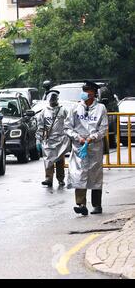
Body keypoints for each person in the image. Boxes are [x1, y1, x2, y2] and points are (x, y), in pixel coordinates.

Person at [65, 81, 108, 216]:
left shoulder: (101, 108)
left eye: (88, 90)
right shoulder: (75, 108)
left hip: (94, 146)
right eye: (84, 90)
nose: (85, 93)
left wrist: (92, 137)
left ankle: (97, 205)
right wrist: (78, 137)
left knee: (95, 175)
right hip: (79, 147)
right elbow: (67, 127)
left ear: (94, 93)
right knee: (79, 174)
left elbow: (104, 128)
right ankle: (81, 204)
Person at [36, 90, 70, 187]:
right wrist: (38, 139)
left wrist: (69, 137)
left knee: (60, 160)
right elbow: (40, 126)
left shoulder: (63, 111)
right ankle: (48, 178)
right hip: (49, 140)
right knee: (48, 160)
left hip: (61, 139)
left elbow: (69, 124)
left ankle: (60, 178)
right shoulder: (44, 112)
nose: (52, 101)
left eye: (54, 99)